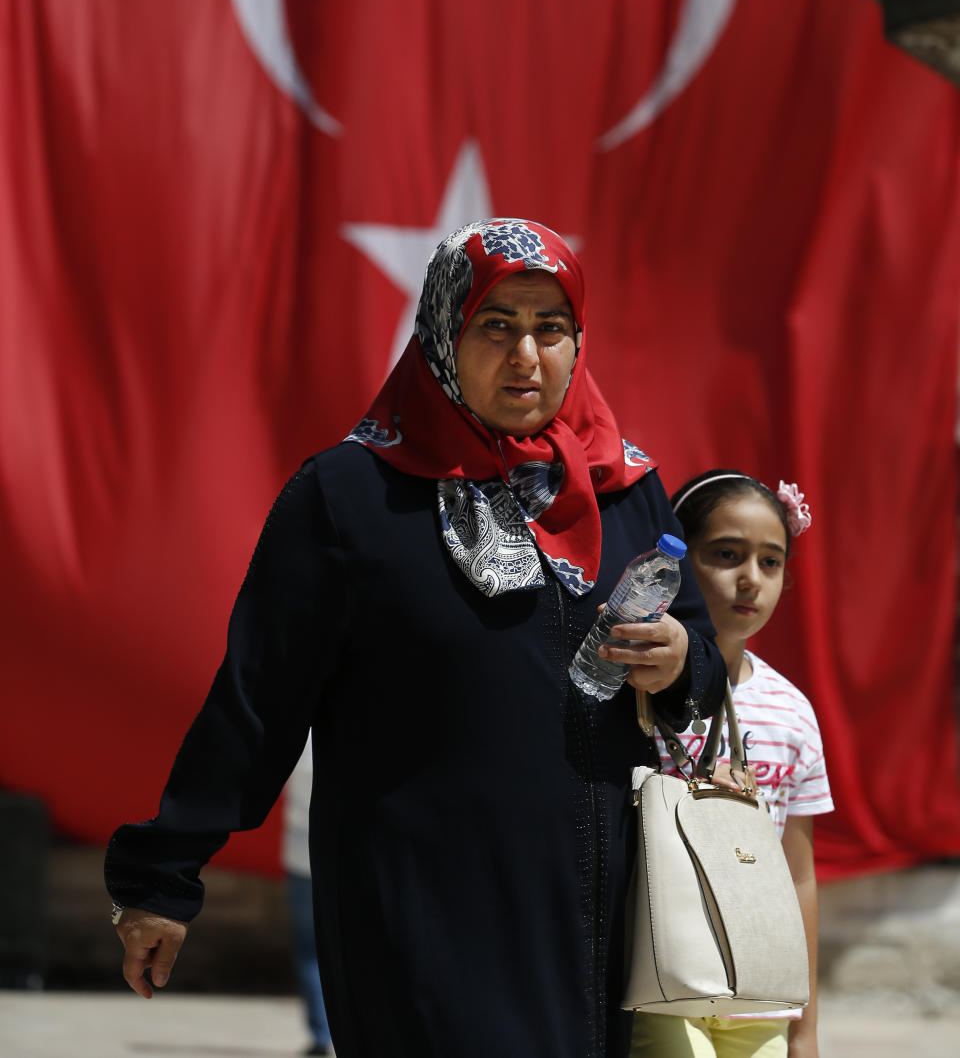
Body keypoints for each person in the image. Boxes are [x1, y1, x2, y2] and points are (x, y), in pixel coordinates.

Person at [105, 218, 725, 1058]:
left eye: (551, 329)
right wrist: (162, 878)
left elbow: (699, 663)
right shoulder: (353, 497)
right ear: (443, 332)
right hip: (421, 915)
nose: (526, 355)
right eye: (496, 325)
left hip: (593, 919)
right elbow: (258, 702)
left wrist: (684, 660)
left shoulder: (625, 489)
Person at [630, 470, 833, 1058]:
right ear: (678, 557)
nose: (751, 579)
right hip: (658, 978)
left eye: (771, 562)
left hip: (759, 993)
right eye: (726, 554)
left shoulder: (792, 713)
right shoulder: (632, 689)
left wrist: (805, 1025)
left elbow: (799, 875)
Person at [284, 735, 332, 1056]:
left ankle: (320, 1033)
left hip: (301, 854)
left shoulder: (300, 739)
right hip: (338, 854)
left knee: (309, 950)